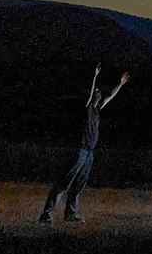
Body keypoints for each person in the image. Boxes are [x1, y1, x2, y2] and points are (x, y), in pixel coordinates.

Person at [39, 64, 128, 223]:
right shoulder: (86, 108)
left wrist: (119, 85)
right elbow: (91, 91)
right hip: (80, 151)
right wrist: (94, 77)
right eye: (97, 92)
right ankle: (47, 215)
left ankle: (70, 215)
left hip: (89, 152)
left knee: (78, 185)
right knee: (64, 183)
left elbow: (110, 97)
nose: (99, 94)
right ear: (92, 94)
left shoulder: (97, 109)